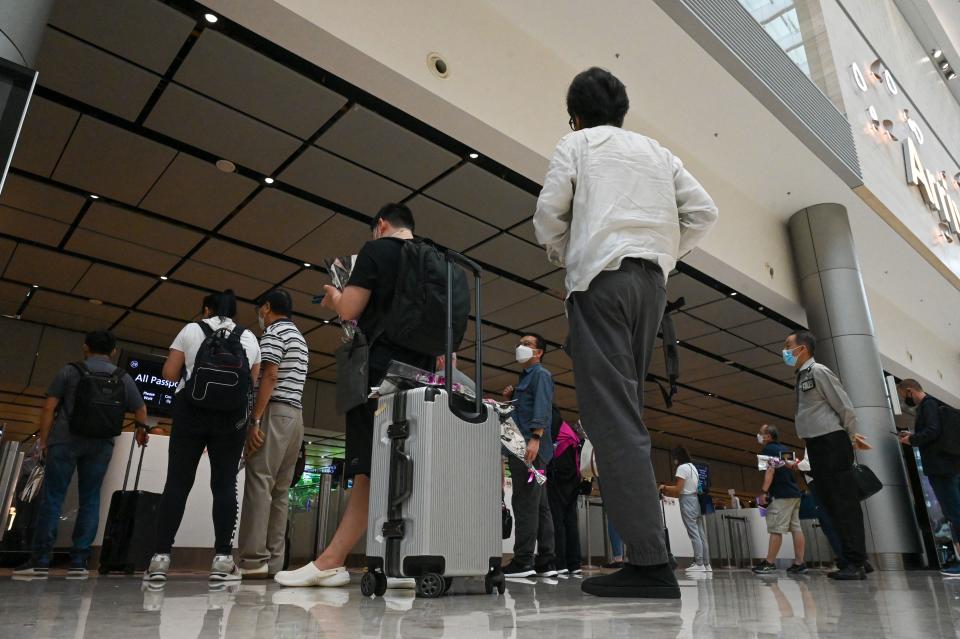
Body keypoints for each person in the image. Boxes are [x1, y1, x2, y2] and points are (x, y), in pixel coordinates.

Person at [533, 67, 718, 598]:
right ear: (622, 111)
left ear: (575, 115)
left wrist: (570, 252)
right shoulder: (659, 152)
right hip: (652, 290)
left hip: (601, 283)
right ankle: (648, 555)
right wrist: (664, 253)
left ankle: (649, 562)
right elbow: (705, 211)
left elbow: (548, 217)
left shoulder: (577, 145)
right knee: (626, 411)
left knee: (610, 419)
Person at [275, 203, 433, 588]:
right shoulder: (433, 258)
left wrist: (333, 296)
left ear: (380, 225)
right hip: (421, 373)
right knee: (407, 465)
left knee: (368, 467)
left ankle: (331, 560)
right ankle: (401, 558)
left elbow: (350, 309)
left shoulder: (375, 251)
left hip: (377, 371)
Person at [144, 290, 261, 582]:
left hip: (190, 412)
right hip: (230, 418)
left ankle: (160, 558)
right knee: (223, 484)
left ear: (207, 309)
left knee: (177, 482)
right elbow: (253, 382)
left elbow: (170, 374)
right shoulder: (249, 337)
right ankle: (222, 559)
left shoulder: (191, 329)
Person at [14, 330, 148, 579]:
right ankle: (79, 562)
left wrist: (44, 441)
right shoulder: (123, 376)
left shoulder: (70, 371)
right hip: (101, 444)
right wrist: (141, 431)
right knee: (91, 499)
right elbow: (141, 408)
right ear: (114, 351)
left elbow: (49, 406)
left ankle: (41, 560)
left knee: (53, 498)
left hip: (65, 440)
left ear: (86, 348)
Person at [784, 330, 871, 580]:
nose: (785, 350)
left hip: (832, 442)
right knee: (832, 504)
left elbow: (844, 405)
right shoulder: (801, 376)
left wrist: (852, 437)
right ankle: (852, 560)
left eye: (788, 345)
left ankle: (855, 562)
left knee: (844, 503)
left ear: (803, 348)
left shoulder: (819, 372)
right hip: (817, 444)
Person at [238, 289, 309, 578]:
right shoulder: (300, 338)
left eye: (261, 310)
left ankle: (253, 561)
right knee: (280, 491)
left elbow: (270, 374)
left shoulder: (273, 333)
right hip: (296, 418)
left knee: (259, 483)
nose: (260, 316)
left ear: (266, 307)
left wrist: (255, 419)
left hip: (274, 411)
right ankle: (275, 563)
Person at [501, 333, 557, 578]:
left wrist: (535, 437)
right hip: (530, 448)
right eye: (520, 343)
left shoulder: (541, 375)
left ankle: (523, 561)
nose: (521, 347)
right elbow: (525, 408)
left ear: (539, 352)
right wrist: (509, 399)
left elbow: (542, 407)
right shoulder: (525, 378)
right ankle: (546, 560)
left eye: (527, 344)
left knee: (524, 502)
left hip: (528, 449)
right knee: (540, 505)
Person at [897, 379, 960, 577]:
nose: (905, 400)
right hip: (946, 466)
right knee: (954, 512)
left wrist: (913, 439)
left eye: (903, 396)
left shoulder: (928, 405)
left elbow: (933, 431)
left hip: (941, 468)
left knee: (954, 513)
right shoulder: (932, 405)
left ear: (909, 390)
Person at [750, 425, 806, 575]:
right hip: (794, 493)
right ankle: (799, 563)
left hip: (781, 495)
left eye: (761, 433)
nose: (759, 436)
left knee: (776, 529)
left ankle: (769, 562)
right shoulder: (784, 449)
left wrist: (763, 492)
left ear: (768, 436)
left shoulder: (767, 450)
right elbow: (794, 467)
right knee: (796, 528)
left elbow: (770, 470)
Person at [658, 447, 711, 573]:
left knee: (694, 534)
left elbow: (678, 489)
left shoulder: (682, 468)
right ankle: (706, 564)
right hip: (695, 500)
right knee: (701, 534)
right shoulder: (693, 467)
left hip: (687, 501)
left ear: (677, 457)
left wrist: (664, 487)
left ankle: (699, 563)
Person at [547, 407, 583, 575]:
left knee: (557, 519)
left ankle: (560, 562)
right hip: (574, 476)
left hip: (560, 475)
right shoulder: (567, 428)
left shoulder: (552, 421)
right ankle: (574, 563)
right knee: (570, 520)